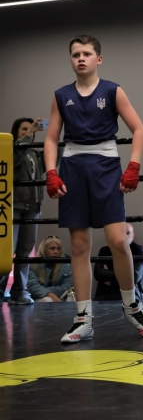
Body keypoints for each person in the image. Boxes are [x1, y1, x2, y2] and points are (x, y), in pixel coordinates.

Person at [44, 34, 143, 343]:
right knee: (79, 245)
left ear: (98, 59)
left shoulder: (112, 90)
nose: (81, 58)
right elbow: (51, 138)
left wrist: (133, 166)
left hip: (106, 166)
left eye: (87, 53)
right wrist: (51, 172)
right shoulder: (60, 95)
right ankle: (83, 319)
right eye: (75, 54)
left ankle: (132, 306)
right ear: (71, 60)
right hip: (73, 167)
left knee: (118, 240)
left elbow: (139, 129)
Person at [0, 117, 46, 305]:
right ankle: (0, 291)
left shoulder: (34, 153)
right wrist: (29, 136)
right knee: (6, 251)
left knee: (25, 251)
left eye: (31, 128)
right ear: (16, 132)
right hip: (13, 205)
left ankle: (19, 292)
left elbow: (54, 159)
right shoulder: (10, 149)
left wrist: (56, 134)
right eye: (24, 129)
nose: (29, 132)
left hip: (33, 205)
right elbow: (14, 159)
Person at [94, 222, 143, 301]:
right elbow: (98, 274)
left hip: (133, 294)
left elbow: (135, 276)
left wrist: (110, 279)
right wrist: (126, 273)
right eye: (121, 233)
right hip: (105, 294)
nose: (124, 236)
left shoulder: (139, 250)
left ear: (133, 236)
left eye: (127, 233)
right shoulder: (104, 250)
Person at [28, 235, 73, 302]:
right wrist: (49, 294)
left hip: (61, 297)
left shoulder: (66, 264)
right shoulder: (34, 264)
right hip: (39, 297)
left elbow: (66, 286)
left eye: (58, 249)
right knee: (48, 300)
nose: (56, 252)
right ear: (44, 250)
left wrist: (44, 290)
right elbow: (32, 285)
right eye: (52, 248)